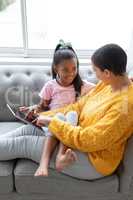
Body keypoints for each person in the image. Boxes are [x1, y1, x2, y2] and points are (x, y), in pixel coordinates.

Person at [0, 43, 133, 180]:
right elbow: (78, 106)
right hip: (73, 132)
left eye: (95, 71)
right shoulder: (108, 84)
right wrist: (40, 116)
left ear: (107, 73)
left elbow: (90, 140)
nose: (95, 75)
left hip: (93, 159)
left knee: (23, 143)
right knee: (28, 129)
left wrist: (53, 122)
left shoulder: (125, 107)